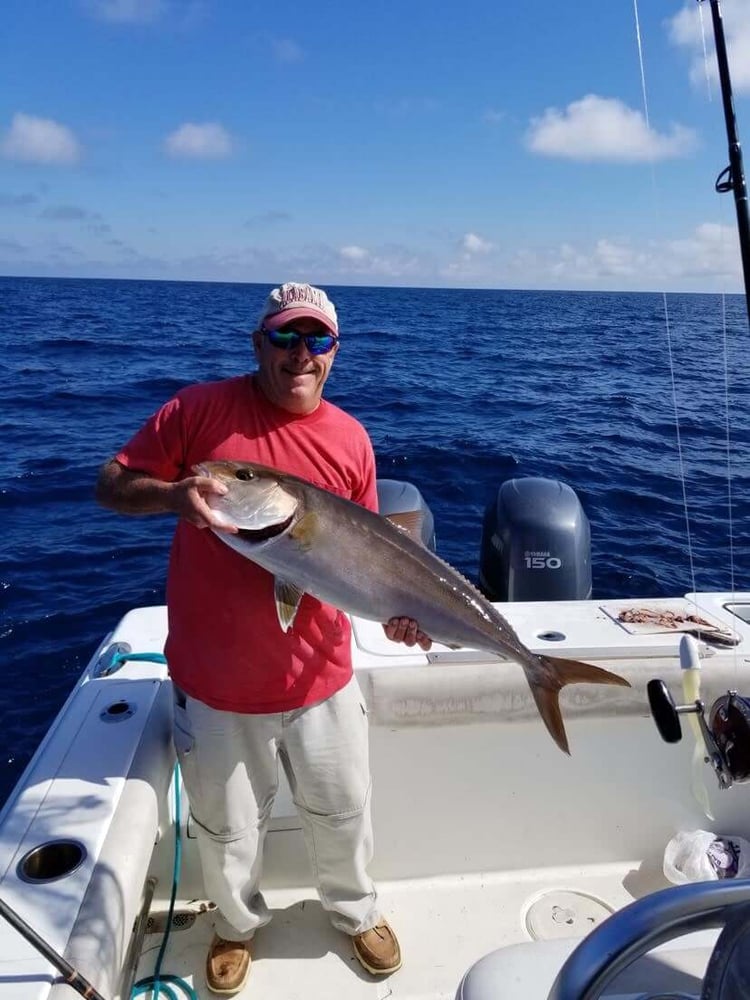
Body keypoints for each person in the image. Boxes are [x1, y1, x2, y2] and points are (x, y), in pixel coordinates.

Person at [95, 281, 431, 996]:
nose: (299, 354)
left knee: (343, 812)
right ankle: (236, 925)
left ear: (335, 352)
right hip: (216, 683)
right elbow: (112, 484)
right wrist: (171, 497)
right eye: (284, 338)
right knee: (224, 829)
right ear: (258, 343)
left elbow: (370, 560)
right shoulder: (198, 410)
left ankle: (354, 911)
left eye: (316, 340)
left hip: (321, 679)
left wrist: (399, 614)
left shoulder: (350, 439)